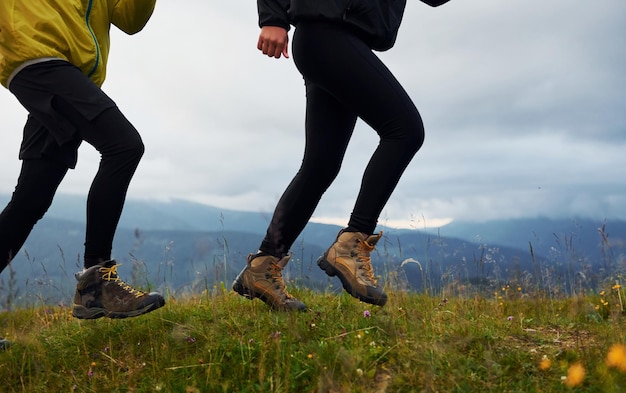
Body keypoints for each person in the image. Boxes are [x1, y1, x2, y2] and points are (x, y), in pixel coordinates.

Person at [233, 0, 451, 311]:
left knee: (320, 166)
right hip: (326, 32)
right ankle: (352, 243)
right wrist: (273, 18)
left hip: (346, 38)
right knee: (405, 131)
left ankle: (263, 266)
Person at [0, 0, 165, 336]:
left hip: (71, 70)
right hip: (36, 53)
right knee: (123, 146)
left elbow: (131, 20)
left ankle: (97, 286)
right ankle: (97, 286)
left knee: (30, 200)